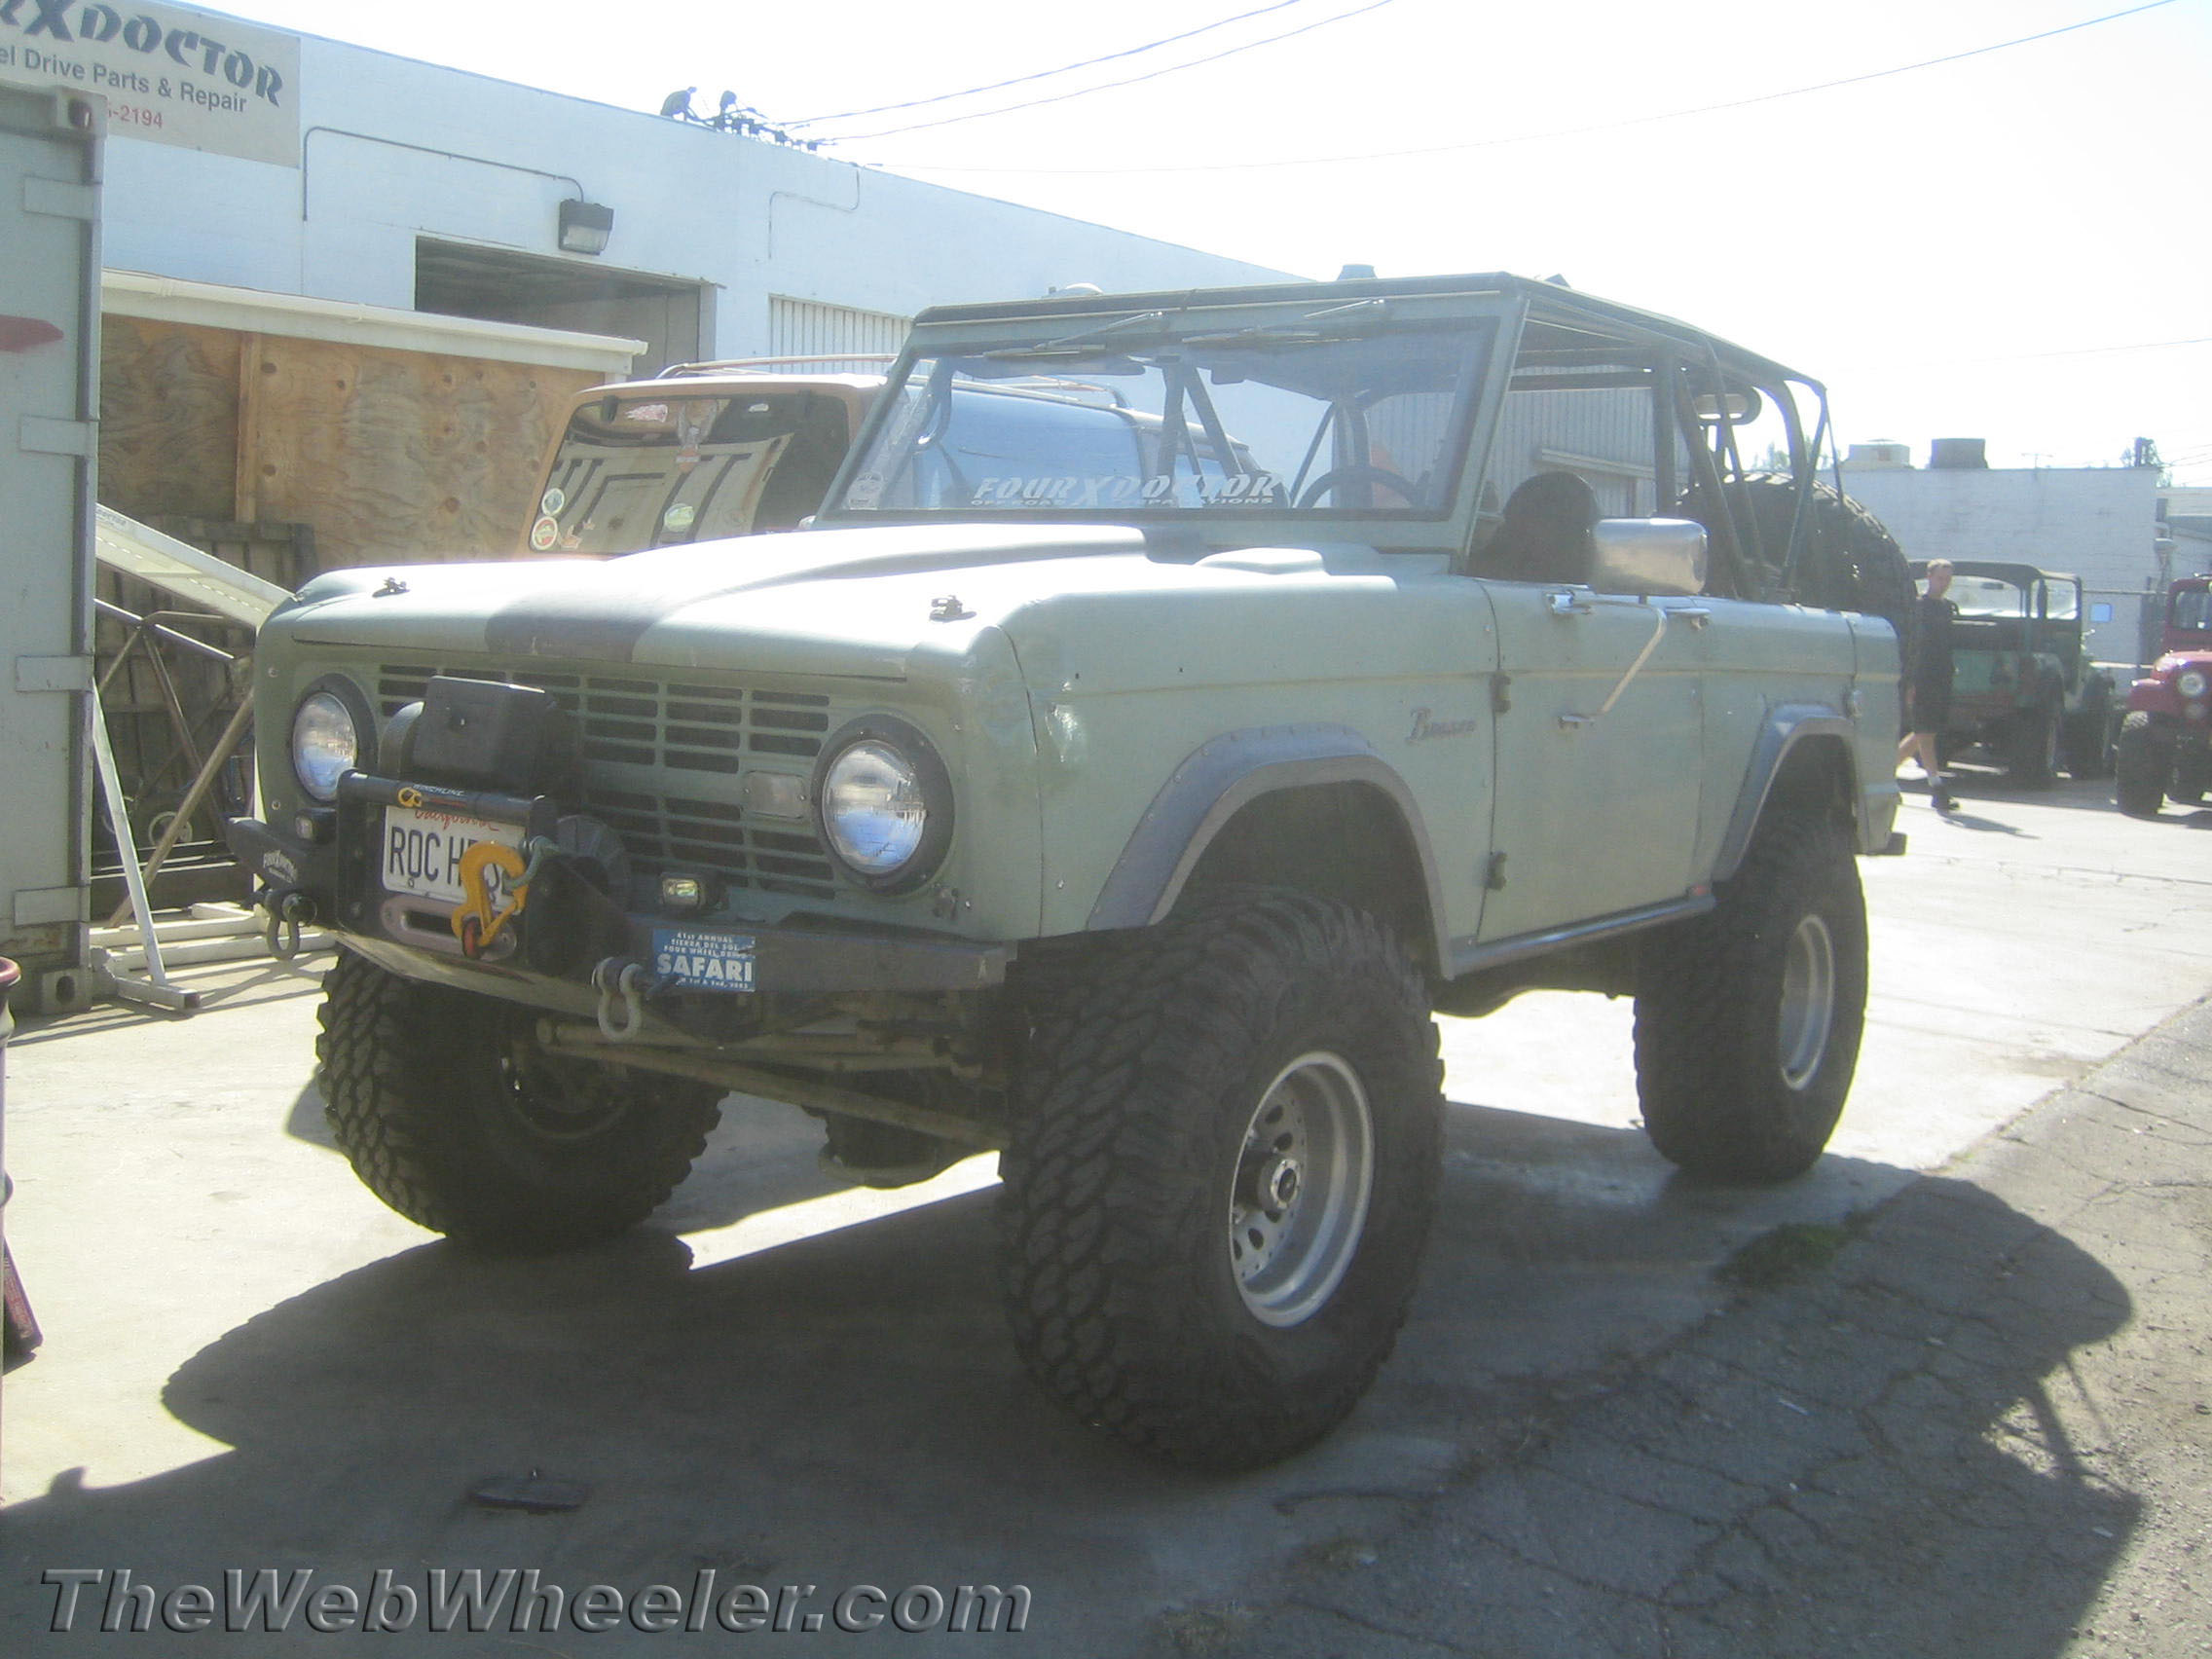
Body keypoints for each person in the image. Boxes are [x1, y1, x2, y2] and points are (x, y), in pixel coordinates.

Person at [1898, 559, 1959, 812]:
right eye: (1940, 578)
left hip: (1941, 677)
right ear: (1929, 577)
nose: (1944, 583)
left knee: (1925, 732)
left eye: (1948, 579)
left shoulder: (1946, 608)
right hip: (1921, 676)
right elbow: (1912, 646)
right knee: (1925, 732)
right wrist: (1910, 681)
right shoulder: (1918, 607)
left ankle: (1882, 777)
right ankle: (1937, 787)